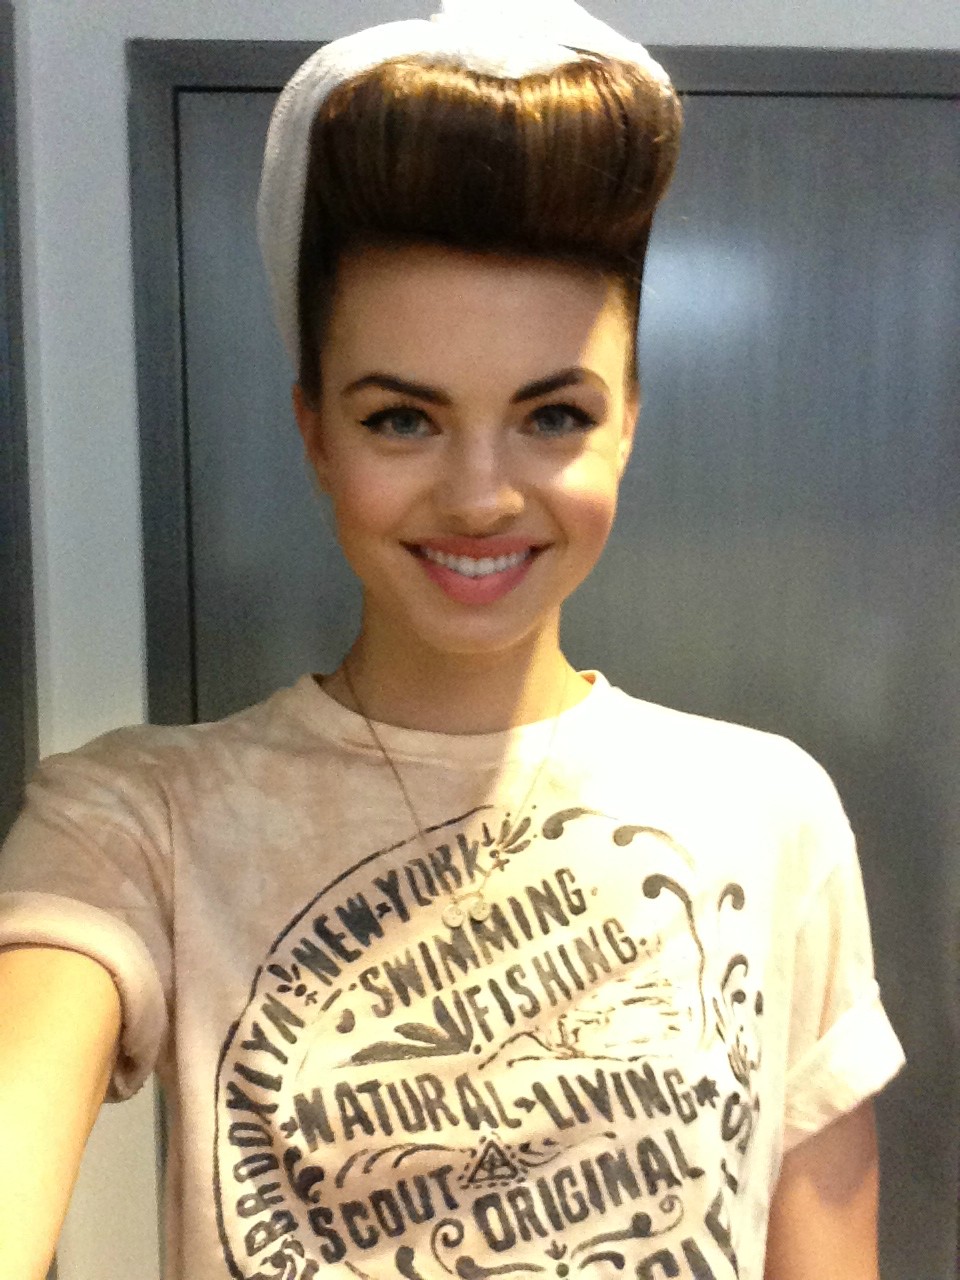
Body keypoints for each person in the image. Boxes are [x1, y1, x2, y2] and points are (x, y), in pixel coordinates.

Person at [0, 3, 905, 1278]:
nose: (481, 495)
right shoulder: (136, 823)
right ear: (316, 432)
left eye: (553, 415)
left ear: (628, 420)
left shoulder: (771, 811)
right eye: (403, 419)